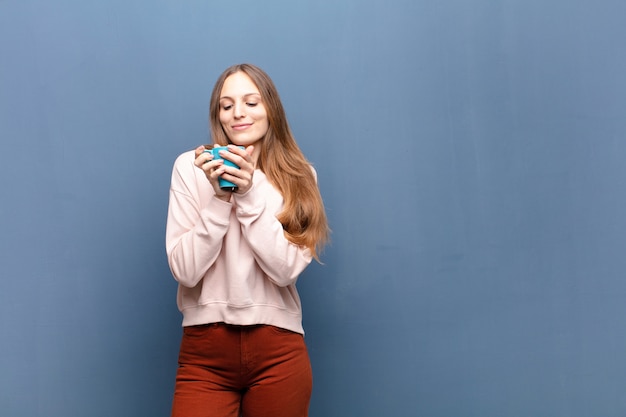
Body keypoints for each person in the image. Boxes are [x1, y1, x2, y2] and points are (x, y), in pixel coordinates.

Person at [165, 63, 330, 417]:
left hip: (279, 353)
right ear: (218, 116)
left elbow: (285, 271)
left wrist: (249, 191)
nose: (238, 113)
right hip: (204, 354)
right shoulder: (190, 169)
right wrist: (221, 198)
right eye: (227, 106)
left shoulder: (300, 177)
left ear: (271, 108)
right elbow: (186, 271)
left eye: (251, 102)